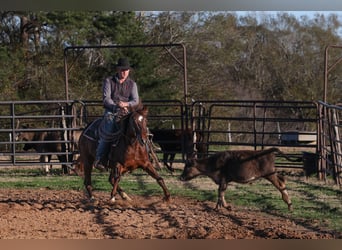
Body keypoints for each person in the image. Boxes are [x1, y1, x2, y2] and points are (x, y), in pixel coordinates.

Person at [93, 57, 139, 171]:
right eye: (122, 70)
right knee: (108, 130)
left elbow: (135, 100)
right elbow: (106, 99)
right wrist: (116, 106)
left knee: (139, 127)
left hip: (127, 111)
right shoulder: (109, 81)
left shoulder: (132, 84)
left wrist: (126, 104)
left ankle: (142, 155)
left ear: (129, 71)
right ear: (118, 70)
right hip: (111, 111)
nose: (124, 72)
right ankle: (99, 158)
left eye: (126, 70)